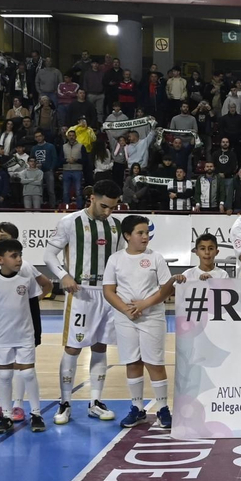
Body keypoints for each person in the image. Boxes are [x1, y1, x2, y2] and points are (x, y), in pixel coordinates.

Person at [48, 180, 123, 425]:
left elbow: (120, 260)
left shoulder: (116, 226)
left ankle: (95, 402)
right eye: (104, 206)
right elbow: (49, 255)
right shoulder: (70, 222)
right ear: (92, 198)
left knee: (101, 346)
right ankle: (65, 402)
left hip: (108, 294)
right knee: (73, 347)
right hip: (81, 292)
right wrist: (63, 275)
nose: (108, 212)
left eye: (113, 207)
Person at [103, 215, 184, 429]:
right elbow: (108, 291)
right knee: (132, 362)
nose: (145, 236)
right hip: (125, 318)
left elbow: (166, 288)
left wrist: (144, 305)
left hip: (152, 316)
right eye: (140, 233)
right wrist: (126, 309)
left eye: (147, 232)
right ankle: (137, 408)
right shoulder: (115, 259)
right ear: (127, 236)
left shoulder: (156, 258)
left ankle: (163, 408)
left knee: (155, 363)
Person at [0, 239, 47, 435]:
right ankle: (6, 416)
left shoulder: (27, 280)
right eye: (14, 256)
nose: (19, 259)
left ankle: (36, 414)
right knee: (5, 375)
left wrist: (37, 334)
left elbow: (34, 309)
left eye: (20, 255)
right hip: (1, 339)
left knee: (28, 374)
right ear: (0, 260)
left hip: (25, 336)